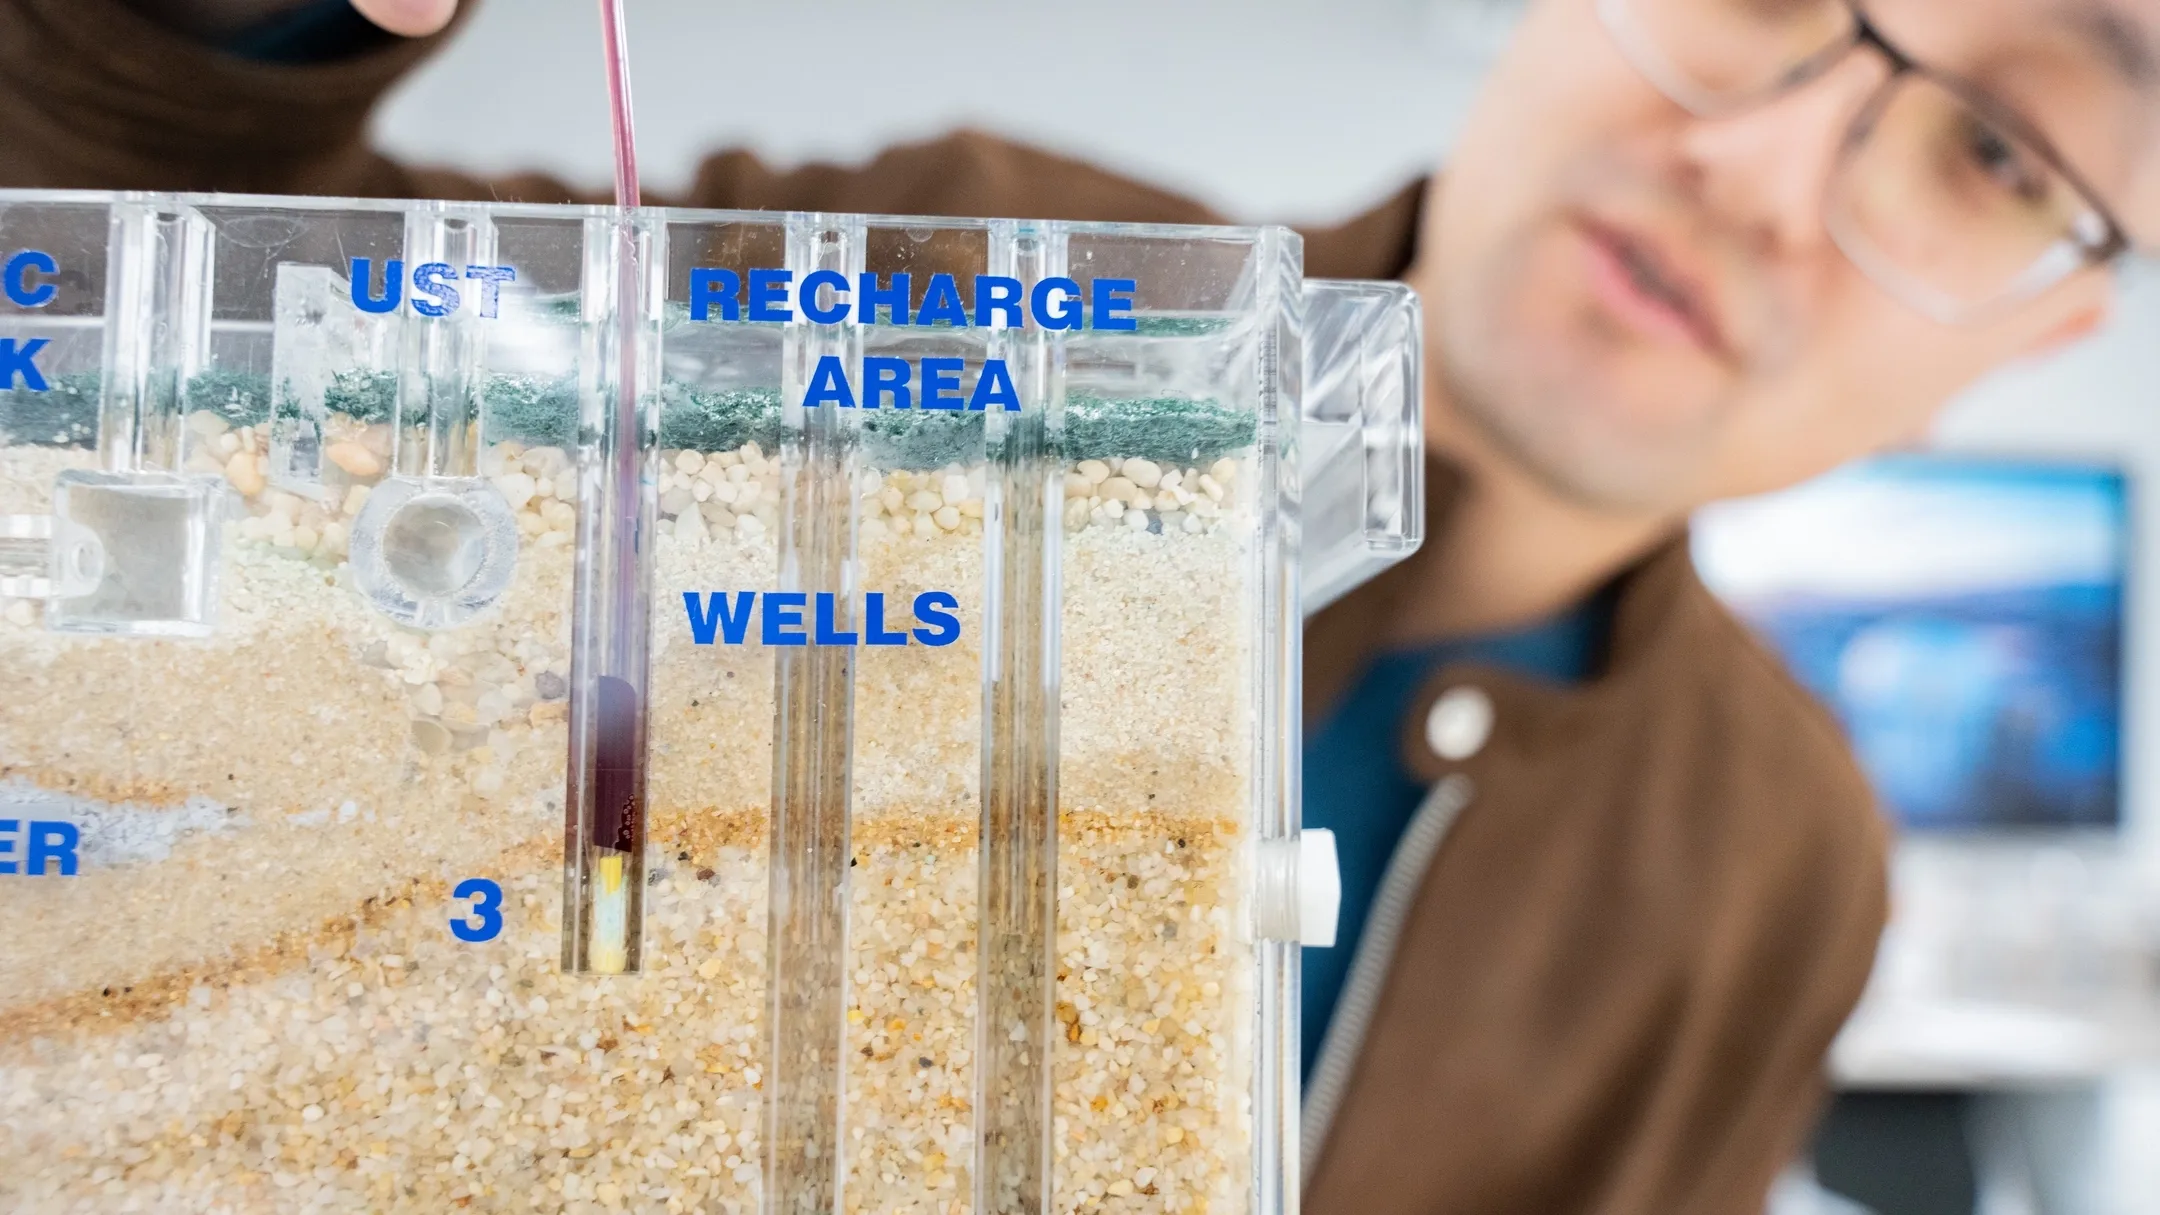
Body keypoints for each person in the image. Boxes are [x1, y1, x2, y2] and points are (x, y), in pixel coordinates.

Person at [3, 0, 2152, 1210]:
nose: (1761, 170)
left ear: (2059, 321)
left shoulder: (1784, 866)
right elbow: (148, 286)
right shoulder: (957, 268)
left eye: (1995, 154)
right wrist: (237, 23)